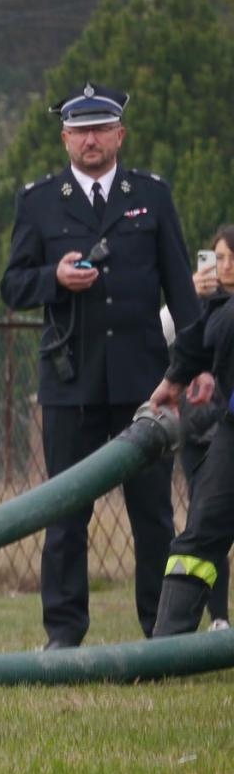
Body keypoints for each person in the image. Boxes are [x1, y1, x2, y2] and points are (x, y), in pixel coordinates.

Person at [0, 82, 198, 649]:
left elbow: (181, 291)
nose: (91, 140)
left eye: (101, 129)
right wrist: (53, 280)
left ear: (119, 135)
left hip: (145, 385)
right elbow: (11, 287)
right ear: (65, 137)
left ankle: (162, 630)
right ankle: (63, 633)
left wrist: (192, 366)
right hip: (71, 384)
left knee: (154, 515)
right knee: (65, 516)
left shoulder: (152, 197)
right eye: (80, 130)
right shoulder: (38, 202)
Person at [148, 228, 234, 635]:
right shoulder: (220, 311)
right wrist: (174, 379)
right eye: (220, 258)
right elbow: (200, 340)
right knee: (200, 532)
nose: (226, 266)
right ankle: (166, 648)